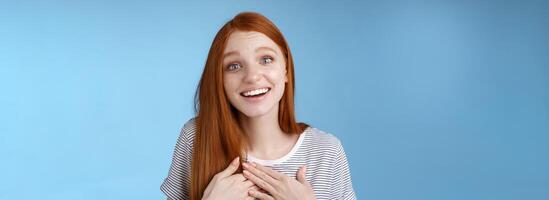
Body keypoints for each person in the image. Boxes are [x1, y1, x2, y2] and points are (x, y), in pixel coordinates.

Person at [161, 12, 356, 200]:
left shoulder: (326, 151)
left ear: (286, 70)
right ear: (219, 79)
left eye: (266, 60)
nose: (252, 76)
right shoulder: (195, 138)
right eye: (234, 66)